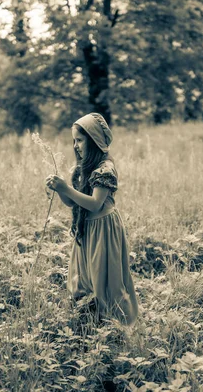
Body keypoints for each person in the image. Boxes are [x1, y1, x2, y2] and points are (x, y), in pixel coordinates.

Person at [45, 113, 138, 325]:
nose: (75, 146)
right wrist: (60, 190)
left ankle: (115, 324)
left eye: (80, 140)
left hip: (104, 229)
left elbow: (95, 203)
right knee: (83, 277)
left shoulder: (105, 169)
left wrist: (66, 187)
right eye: (74, 141)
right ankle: (88, 319)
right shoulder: (82, 168)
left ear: (94, 140)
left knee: (106, 280)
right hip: (86, 228)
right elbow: (72, 203)